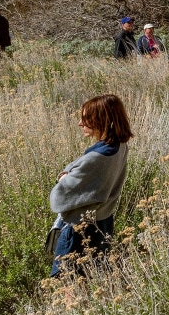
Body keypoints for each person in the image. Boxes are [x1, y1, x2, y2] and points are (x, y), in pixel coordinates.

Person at [48, 94, 133, 277]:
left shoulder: (96, 158)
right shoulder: (120, 146)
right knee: (92, 278)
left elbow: (59, 197)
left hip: (79, 229)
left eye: (86, 119)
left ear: (102, 120)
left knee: (69, 284)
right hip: (103, 223)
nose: (80, 123)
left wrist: (64, 177)